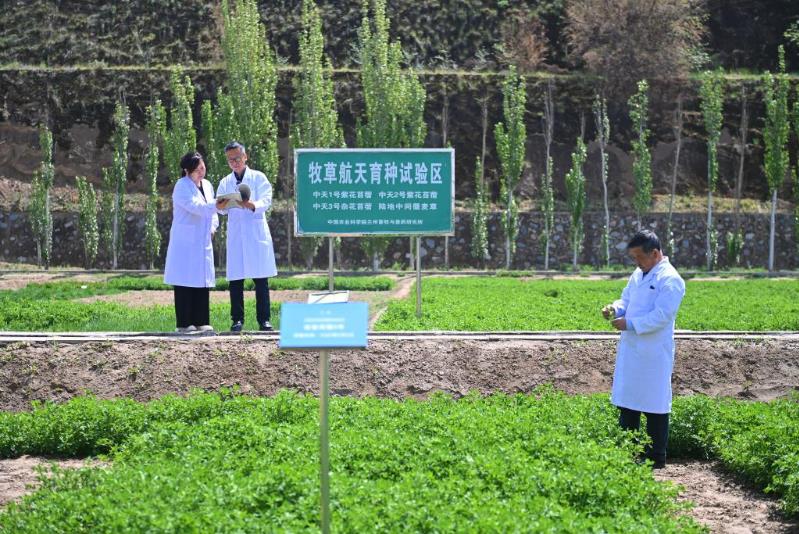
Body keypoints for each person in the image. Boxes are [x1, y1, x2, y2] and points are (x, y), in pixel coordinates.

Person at [601, 230, 686, 469]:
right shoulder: (639, 274)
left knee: (655, 405)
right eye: (634, 258)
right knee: (628, 402)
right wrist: (616, 309)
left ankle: (656, 457)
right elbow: (626, 300)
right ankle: (627, 453)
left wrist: (630, 324)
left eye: (639, 257)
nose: (636, 263)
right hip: (633, 350)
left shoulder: (670, 279)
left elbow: (662, 316)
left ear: (656, 254)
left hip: (653, 353)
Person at [215, 141, 278, 332]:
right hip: (236, 235)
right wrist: (223, 204)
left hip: (255, 232)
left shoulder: (258, 178)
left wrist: (251, 204)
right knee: (236, 280)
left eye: (237, 158)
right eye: (230, 160)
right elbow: (220, 207)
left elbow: (266, 200)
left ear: (245, 157)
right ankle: (237, 320)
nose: (234, 162)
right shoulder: (225, 181)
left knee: (261, 280)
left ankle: (264, 320)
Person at [163, 151, 225, 333]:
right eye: (197, 169)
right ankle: (184, 323)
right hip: (185, 242)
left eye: (202, 167)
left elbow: (212, 213)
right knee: (184, 281)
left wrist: (213, 227)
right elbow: (196, 207)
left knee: (202, 280)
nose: (201, 172)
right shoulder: (181, 186)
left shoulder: (207, 185)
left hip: (203, 240)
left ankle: (201, 320)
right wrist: (217, 205)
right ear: (187, 170)